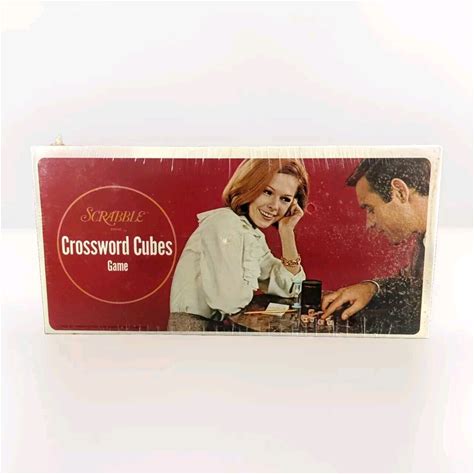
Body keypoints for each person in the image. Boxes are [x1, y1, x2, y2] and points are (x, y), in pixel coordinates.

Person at [168, 158, 309, 331]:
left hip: (220, 329)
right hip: (193, 330)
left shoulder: (250, 233)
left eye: (285, 199)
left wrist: (287, 232)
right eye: (267, 192)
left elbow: (291, 287)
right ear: (249, 187)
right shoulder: (224, 223)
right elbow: (228, 301)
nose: (274, 206)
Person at [321, 158, 430, 334]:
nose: (369, 224)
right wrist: (372, 288)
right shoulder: (424, 240)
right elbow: (417, 287)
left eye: (370, 209)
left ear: (400, 192)